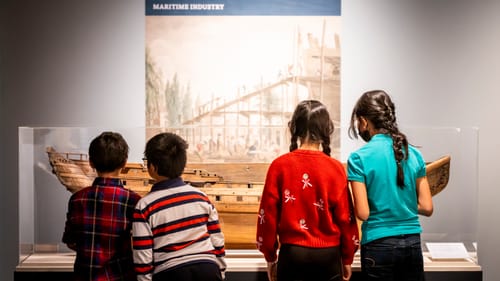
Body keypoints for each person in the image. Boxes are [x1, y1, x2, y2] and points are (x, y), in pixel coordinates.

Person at [256, 100, 359, 281]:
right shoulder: (335, 168)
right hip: (329, 257)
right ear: (327, 129)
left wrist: (270, 257)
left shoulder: (279, 166)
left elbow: (267, 217)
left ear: (294, 127)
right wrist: (347, 258)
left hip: (292, 255)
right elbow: (346, 218)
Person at [347, 90, 434, 281]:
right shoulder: (414, 154)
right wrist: (401, 204)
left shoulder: (358, 158)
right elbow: (427, 207)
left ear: (363, 121)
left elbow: (363, 213)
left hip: (379, 244)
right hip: (412, 241)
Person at [132, 132, 226, 281]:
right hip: (208, 268)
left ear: (152, 167)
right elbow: (217, 240)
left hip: (170, 273)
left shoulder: (145, 206)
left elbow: (143, 256)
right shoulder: (201, 197)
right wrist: (220, 271)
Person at [62, 131, 141, 281]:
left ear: (91, 162)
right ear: (124, 163)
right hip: (120, 276)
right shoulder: (133, 200)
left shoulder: (77, 199)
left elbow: (70, 241)